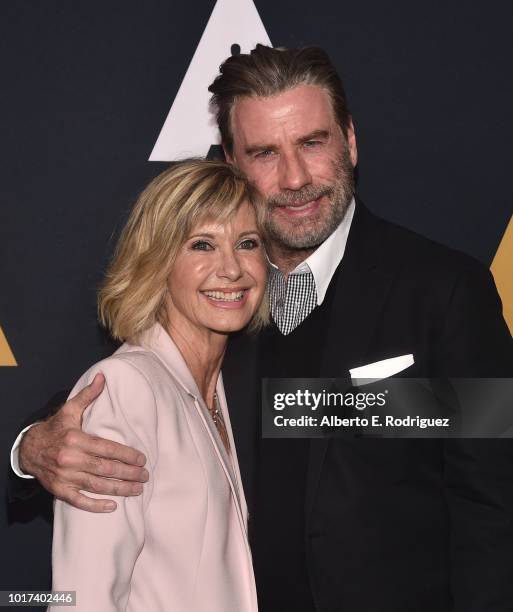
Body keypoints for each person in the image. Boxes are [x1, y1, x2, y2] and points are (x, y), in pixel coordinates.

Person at [10, 45, 513, 611]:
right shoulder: (218, 299)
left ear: (349, 140)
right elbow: (118, 397)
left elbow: (493, 502)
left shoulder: (442, 290)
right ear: (232, 162)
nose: (296, 177)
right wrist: (29, 448)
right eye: (265, 152)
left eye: (312, 143)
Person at [48, 159, 267, 611]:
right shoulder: (127, 389)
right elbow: (83, 600)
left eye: (248, 243)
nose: (232, 269)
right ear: (158, 261)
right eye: (203, 245)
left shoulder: (229, 387)